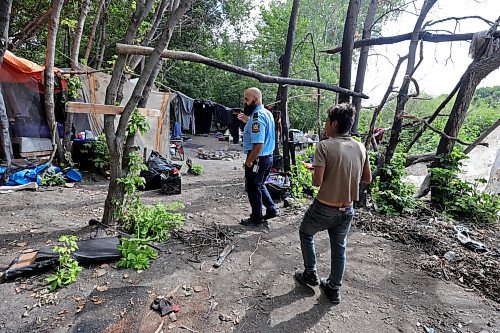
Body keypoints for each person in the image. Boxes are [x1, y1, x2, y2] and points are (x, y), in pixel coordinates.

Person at [294, 103, 372, 304]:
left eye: (327, 121)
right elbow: (367, 178)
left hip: (324, 207)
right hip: (347, 209)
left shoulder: (324, 145)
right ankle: (334, 288)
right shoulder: (360, 147)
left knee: (306, 232)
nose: (325, 125)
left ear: (335, 123)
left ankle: (310, 273)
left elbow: (317, 181)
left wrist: (319, 169)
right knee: (339, 248)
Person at [238, 87, 279, 227]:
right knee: (259, 184)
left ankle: (256, 218)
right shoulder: (266, 113)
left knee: (252, 188)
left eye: (247, 100)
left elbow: (258, 145)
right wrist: (247, 121)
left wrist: (249, 161)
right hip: (267, 157)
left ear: (256, 100)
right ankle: (272, 209)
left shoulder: (257, 117)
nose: (244, 103)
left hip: (257, 158)